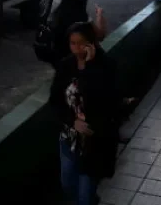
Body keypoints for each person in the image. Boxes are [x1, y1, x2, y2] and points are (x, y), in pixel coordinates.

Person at [50, 22, 119, 205]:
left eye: (82, 43)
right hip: (68, 137)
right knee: (67, 184)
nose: (77, 48)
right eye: (73, 43)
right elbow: (56, 101)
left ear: (92, 43)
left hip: (93, 142)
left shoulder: (106, 67)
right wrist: (72, 121)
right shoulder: (66, 66)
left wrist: (89, 68)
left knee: (85, 195)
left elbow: (104, 101)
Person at [47, 0, 107, 65]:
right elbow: (100, 35)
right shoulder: (83, 19)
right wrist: (99, 15)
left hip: (58, 59)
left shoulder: (56, 14)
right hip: (77, 60)